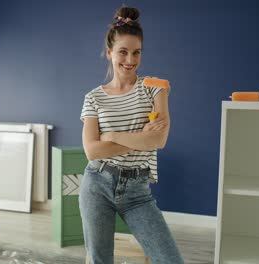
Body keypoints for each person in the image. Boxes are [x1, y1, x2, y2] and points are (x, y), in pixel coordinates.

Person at [79, 6, 185, 264]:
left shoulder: (155, 88)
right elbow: (92, 151)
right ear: (109, 53)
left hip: (137, 191)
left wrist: (111, 134)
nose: (130, 60)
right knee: (99, 260)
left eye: (136, 52)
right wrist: (139, 138)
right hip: (97, 185)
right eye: (123, 52)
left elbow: (158, 140)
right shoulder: (93, 98)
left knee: (170, 260)